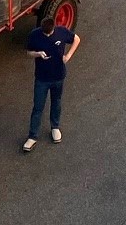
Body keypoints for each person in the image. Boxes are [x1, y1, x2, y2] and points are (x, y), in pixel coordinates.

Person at [22, 12, 81, 152]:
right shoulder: (35, 35)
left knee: (56, 102)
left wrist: (68, 56)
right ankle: (32, 136)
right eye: (45, 34)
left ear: (54, 28)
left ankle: (55, 127)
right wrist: (38, 54)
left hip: (58, 76)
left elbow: (76, 39)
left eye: (49, 34)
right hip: (41, 78)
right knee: (38, 107)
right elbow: (28, 52)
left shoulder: (61, 32)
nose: (47, 36)